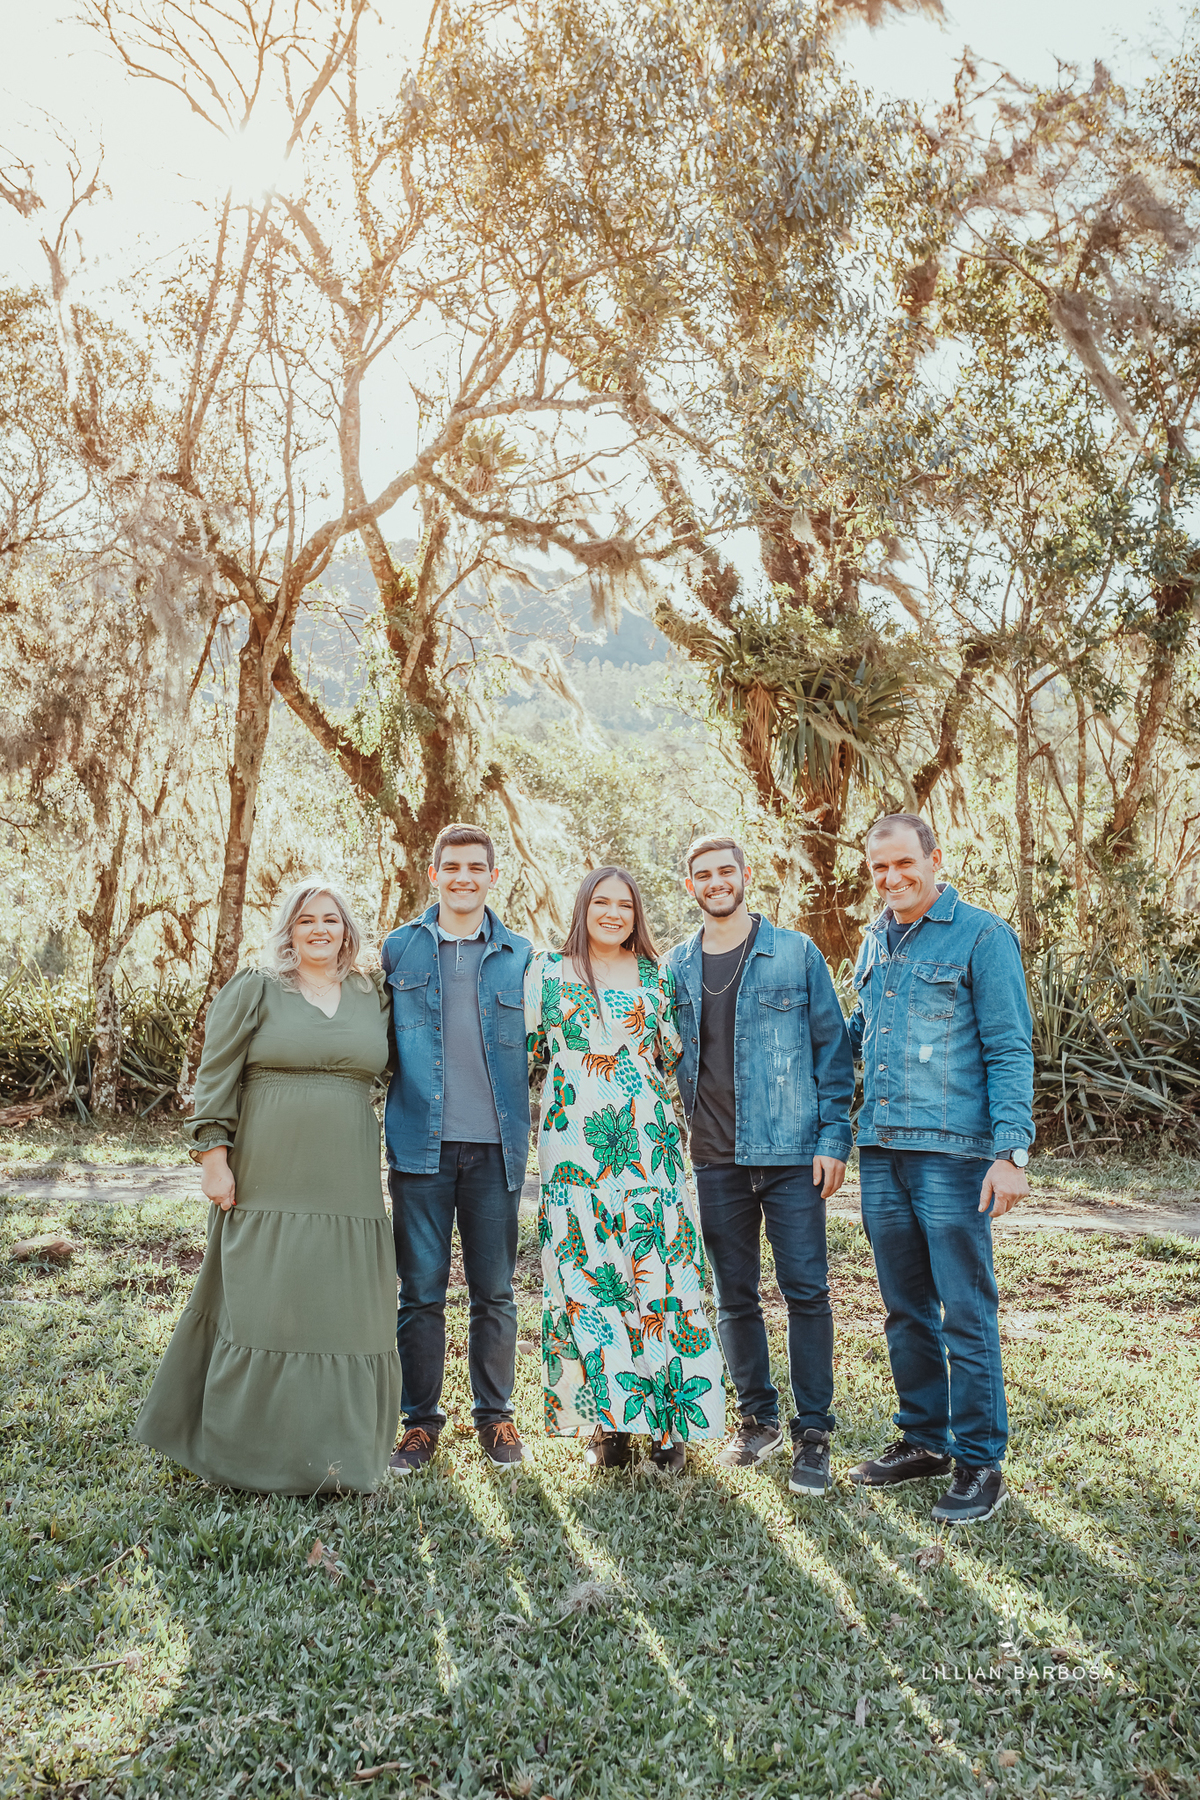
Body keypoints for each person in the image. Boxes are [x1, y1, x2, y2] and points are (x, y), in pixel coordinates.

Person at [136, 881, 401, 1493]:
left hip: (347, 1186)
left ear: (346, 930)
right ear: (289, 929)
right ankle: (243, 1458)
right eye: (306, 920)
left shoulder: (372, 995)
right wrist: (213, 1158)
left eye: (330, 919)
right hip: (265, 1177)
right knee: (260, 1306)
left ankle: (344, 1461)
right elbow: (215, 1076)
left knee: (342, 1313)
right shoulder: (255, 990)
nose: (319, 929)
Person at [846, 814, 1034, 1524]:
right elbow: (862, 1037)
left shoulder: (983, 936)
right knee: (905, 1309)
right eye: (879, 869)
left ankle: (981, 1462)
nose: (892, 879)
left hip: (954, 1156)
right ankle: (923, 1440)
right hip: (882, 1151)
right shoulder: (874, 939)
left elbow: (1010, 1048)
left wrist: (1010, 1152)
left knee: (966, 1310)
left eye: (903, 864)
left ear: (934, 859)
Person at [665, 836, 855, 1497]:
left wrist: (835, 1138)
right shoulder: (676, 967)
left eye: (726, 871)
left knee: (807, 1293)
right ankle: (757, 1420)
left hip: (792, 1155)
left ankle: (813, 1435)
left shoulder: (796, 954)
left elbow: (833, 1056)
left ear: (746, 876)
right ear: (689, 885)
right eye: (703, 875)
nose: (716, 882)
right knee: (733, 1298)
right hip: (714, 1159)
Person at [525, 866, 724, 1471]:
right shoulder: (546, 973)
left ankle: (669, 1427)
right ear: (583, 906)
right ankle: (606, 1427)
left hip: (648, 1147)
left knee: (656, 1278)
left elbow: (667, 1055)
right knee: (589, 1284)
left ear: (638, 916)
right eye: (602, 902)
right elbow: (533, 1056)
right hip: (572, 1151)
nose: (613, 913)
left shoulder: (655, 976)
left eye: (626, 906)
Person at [381, 824, 532, 1472]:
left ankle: (495, 1420)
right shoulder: (398, 951)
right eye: (453, 867)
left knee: (494, 1293)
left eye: (477, 867)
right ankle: (420, 1424)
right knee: (420, 1293)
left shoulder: (523, 957)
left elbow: (549, 1052)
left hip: (496, 1151)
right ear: (433, 874)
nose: (465, 877)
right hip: (419, 1149)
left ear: (494, 876)